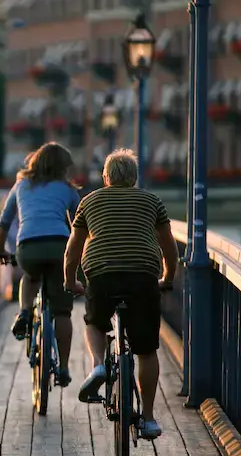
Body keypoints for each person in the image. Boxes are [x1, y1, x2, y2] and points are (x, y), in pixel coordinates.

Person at [63, 148, 178, 440]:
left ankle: (99, 365)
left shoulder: (89, 201)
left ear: (105, 177)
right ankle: (149, 419)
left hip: (101, 276)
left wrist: (70, 281)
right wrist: (167, 278)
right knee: (146, 349)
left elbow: (73, 249)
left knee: (95, 322)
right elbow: (169, 248)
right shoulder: (152, 201)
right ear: (135, 178)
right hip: (142, 277)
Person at [0, 142, 81, 386]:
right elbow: (79, 225)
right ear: (63, 167)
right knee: (63, 312)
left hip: (29, 246)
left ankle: (23, 312)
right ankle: (63, 369)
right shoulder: (67, 190)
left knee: (30, 276)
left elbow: (4, 222)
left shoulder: (21, 185)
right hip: (59, 247)